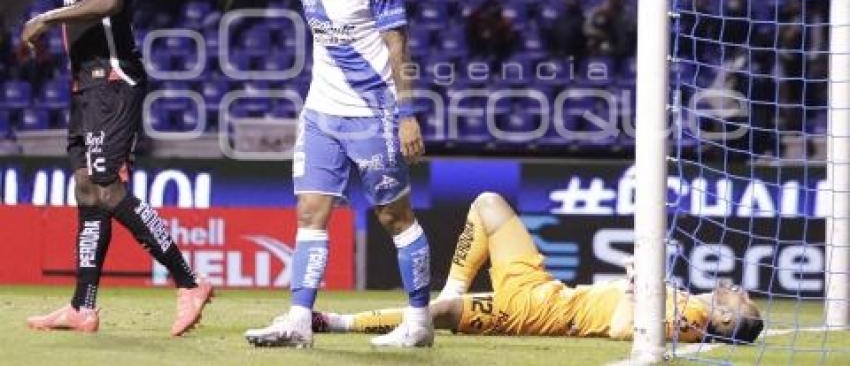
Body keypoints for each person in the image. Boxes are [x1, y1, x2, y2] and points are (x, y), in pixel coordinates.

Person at [21, 0, 212, 335]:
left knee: (107, 187)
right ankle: (82, 307)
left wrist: (49, 17)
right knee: (87, 188)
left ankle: (189, 281)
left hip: (111, 78)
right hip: (87, 82)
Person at [244, 0, 433, 349]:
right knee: (310, 213)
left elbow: (398, 48)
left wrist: (407, 115)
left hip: (372, 113)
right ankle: (298, 321)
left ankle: (420, 321)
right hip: (322, 111)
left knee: (394, 216)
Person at [312, 192, 764, 344]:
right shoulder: (690, 309)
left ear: (726, 318)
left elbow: (626, 330)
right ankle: (336, 322)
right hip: (546, 297)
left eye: (743, 300)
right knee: (442, 311)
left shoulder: (695, 319)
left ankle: (339, 321)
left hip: (541, 309)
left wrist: (637, 284)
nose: (737, 288)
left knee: (488, 207)